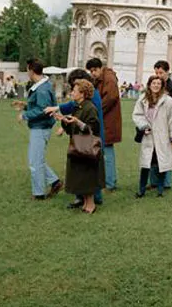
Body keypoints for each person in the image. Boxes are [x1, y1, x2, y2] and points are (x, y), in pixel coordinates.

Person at [47, 68, 106, 209]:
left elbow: (92, 127)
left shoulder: (89, 106)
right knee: (80, 174)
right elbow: (72, 127)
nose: (71, 92)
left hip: (87, 145)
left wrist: (76, 122)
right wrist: (63, 120)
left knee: (88, 175)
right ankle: (85, 202)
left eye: (74, 89)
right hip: (78, 145)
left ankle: (91, 203)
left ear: (82, 93)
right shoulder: (78, 106)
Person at [13, 58, 63, 201]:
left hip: (40, 128)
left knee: (34, 162)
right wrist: (25, 106)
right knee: (37, 160)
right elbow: (42, 107)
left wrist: (25, 115)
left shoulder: (41, 89)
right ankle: (55, 182)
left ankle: (39, 193)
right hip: (41, 127)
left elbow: (43, 110)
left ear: (31, 70)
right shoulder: (44, 86)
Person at [132, 75, 172, 198]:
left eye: (158, 84)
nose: (156, 86)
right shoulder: (143, 99)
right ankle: (141, 189)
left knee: (161, 162)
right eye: (154, 83)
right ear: (149, 85)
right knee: (146, 163)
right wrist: (143, 126)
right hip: (148, 136)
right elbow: (137, 115)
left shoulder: (168, 101)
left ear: (162, 86)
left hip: (162, 135)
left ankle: (160, 189)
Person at [87, 57, 121, 191]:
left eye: (94, 70)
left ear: (100, 68)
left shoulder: (109, 79)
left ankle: (110, 183)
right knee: (104, 151)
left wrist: (97, 110)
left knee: (107, 152)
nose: (93, 73)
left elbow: (111, 97)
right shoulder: (102, 79)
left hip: (108, 120)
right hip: (105, 119)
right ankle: (107, 180)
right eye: (91, 71)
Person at [148, 60, 172, 191]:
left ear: (167, 72)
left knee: (166, 153)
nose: (158, 75)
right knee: (153, 152)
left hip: (167, 125)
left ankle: (167, 182)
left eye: (161, 72)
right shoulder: (154, 85)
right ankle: (154, 181)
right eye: (156, 72)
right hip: (154, 124)